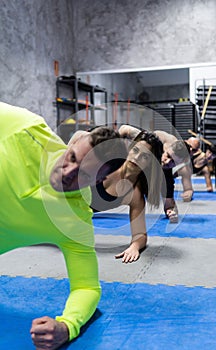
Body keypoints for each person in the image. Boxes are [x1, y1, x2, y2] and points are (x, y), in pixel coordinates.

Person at [0, 102, 127, 349]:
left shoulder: (75, 219)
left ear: (99, 180)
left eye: (84, 175)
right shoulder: (25, 127)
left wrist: (67, 326)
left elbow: (87, 287)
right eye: (71, 158)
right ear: (72, 143)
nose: (67, 173)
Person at [90, 130, 163, 263]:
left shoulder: (135, 194)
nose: (137, 157)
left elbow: (140, 234)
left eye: (145, 157)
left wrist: (134, 246)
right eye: (135, 150)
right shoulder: (108, 163)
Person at [118, 125, 192, 223]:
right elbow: (124, 128)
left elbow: (169, 204)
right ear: (166, 149)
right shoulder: (153, 141)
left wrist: (171, 213)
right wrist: (115, 146)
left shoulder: (167, 173)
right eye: (168, 156)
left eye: (172, 162)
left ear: (178, 164)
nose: (167, 162)